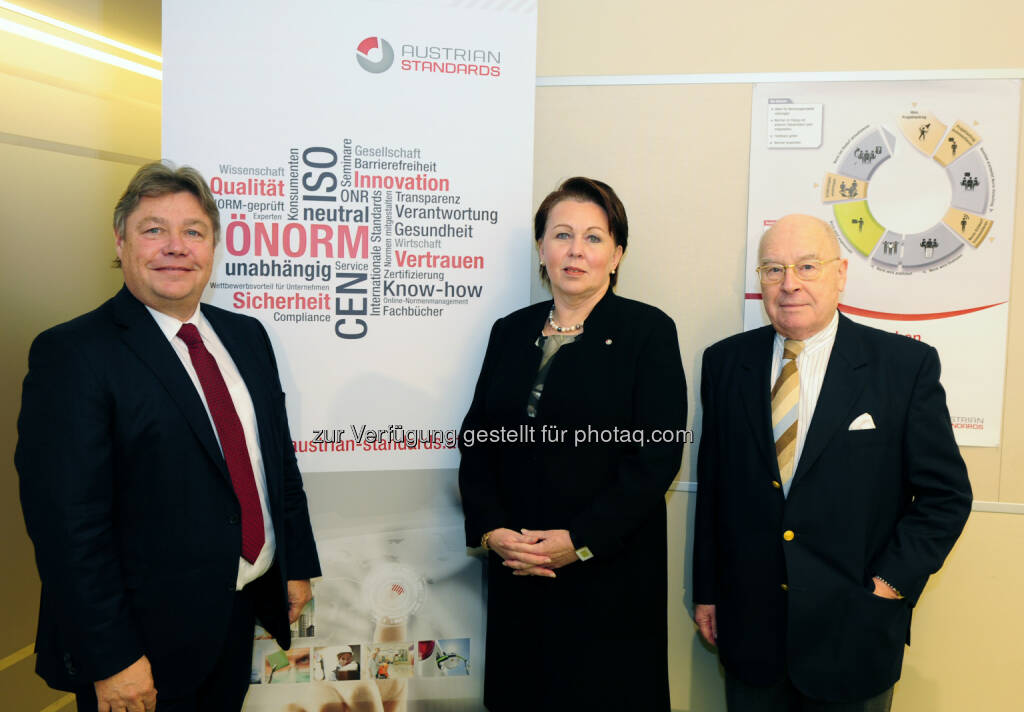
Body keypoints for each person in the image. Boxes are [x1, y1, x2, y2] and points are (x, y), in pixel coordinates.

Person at [16, 161, 321, 712]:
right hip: (140, 645)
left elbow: (276, 463)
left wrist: (294, 565)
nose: (176, 246)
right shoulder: (74, 354)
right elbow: (67, 529)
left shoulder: (246, 336)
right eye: (154, 229)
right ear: (121, 242)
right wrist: (113, 659)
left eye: (193, 231)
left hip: (233, 616)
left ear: (213, 246)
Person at [692, 214, 972, 711]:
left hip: (854, 635)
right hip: (751, 632)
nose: (789, 284)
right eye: (773, 269)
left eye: (807, 266)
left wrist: (889, 586)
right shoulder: (725, 363)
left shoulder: (903, 366)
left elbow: (945, 497)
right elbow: (714, 488)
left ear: (840, 274)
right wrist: (708, 591)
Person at [458, 177, 687, 711]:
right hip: (520, 568)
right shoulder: (509, 331)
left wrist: (580, 540)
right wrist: (492, 531)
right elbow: (478, 440)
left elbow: (656, 459)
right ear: (542, 248)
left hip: (607, 573)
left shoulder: (647, 331)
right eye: (562, 235)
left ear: (617, 254)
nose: (576, 250)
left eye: (593, 237)